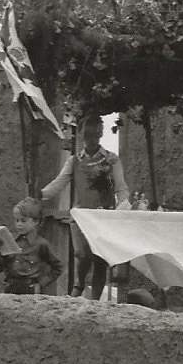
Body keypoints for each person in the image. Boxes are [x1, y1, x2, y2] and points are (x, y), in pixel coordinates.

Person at [39, 114, 130, 299]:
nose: (91, 140)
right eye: (87, 136)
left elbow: (121, 187)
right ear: (81, 136)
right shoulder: (74, 161)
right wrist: (40, 194)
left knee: (99, 259)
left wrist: (123, 204)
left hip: (103, 217)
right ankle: (79, 283)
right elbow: (59, 182)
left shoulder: (111, 160)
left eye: (95, 136)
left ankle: (94, 299)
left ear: (100, 136)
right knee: (82, 254)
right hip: (80, 216)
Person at [0, 197, 63, 295]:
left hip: (30, 289)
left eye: (23, 221)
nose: (19, 224)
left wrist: (41, 283)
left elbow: (58, 268)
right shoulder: (11, 241)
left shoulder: (41, 244)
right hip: (10, 288)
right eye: (17, 220)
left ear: (36, 222)